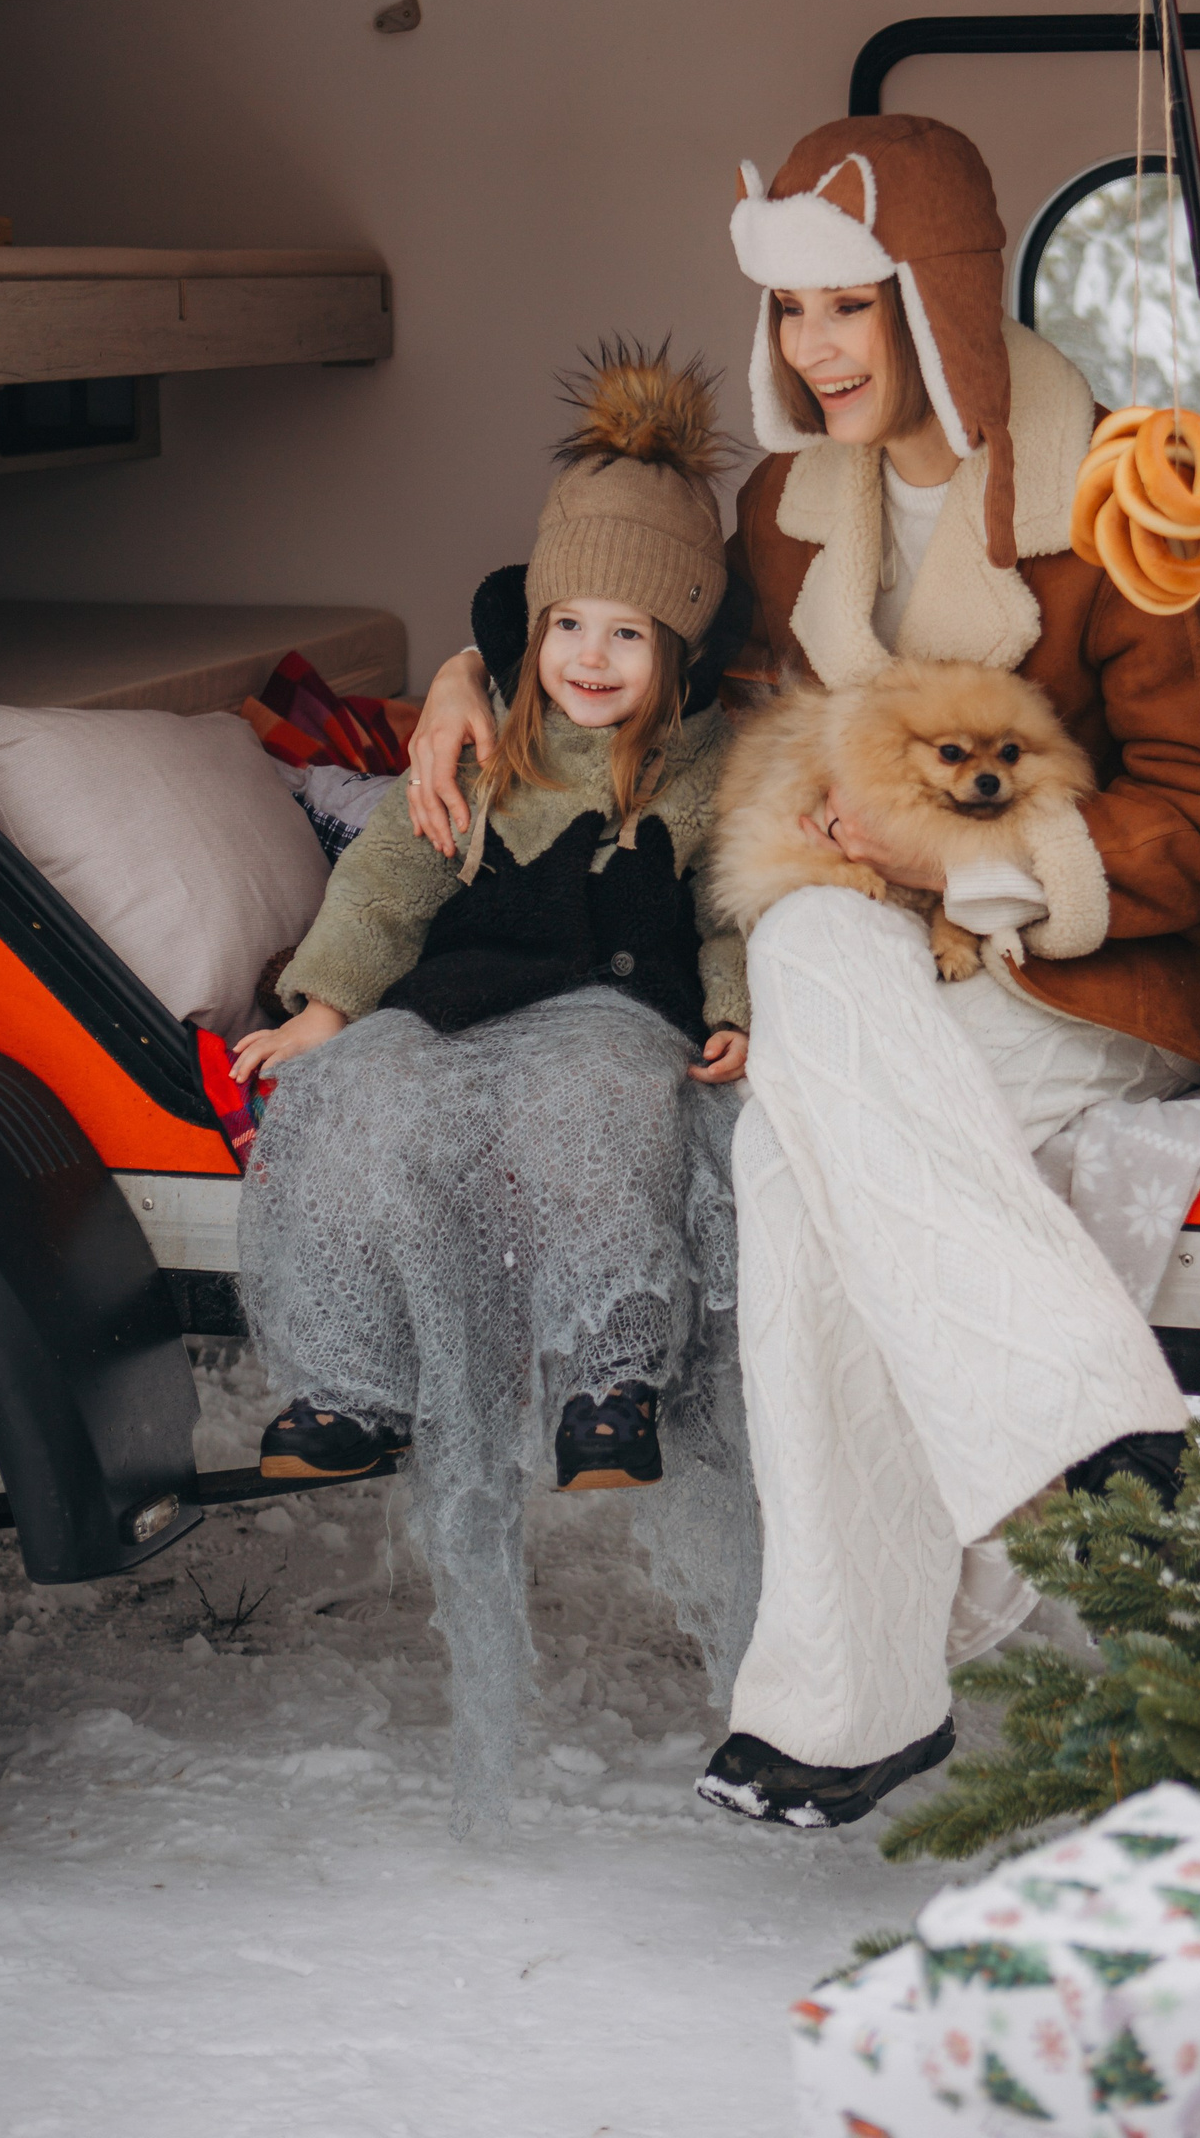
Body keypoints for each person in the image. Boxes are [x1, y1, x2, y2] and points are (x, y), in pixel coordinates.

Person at [407, 118, 1200, 1829]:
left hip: (1089, 968)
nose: (810, 348)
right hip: (872, 957)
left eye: (847, 306)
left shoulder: (1115, 491)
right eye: (789, 310)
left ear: (937, 296)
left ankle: (842, 1701)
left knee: (804, 1172)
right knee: (799, 940)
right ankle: (1079, 1422)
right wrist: (469, 670)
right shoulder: (791, 513)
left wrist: (961, 863)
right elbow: (647, 642)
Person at [236, 344, 758, 1821]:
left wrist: (733, 1013)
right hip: (453, 1000)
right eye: (566, 626)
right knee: (363, 1105)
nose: (590, 657)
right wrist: (327, 1009)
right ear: (529, 633)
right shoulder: (481, 752)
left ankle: (609, 1381)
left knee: (600, 1111)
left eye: (628, 635)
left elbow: (734, 902)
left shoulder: (708, 768)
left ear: (680, 652)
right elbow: (388, 884)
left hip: (613, 1009)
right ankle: (350, 1386)